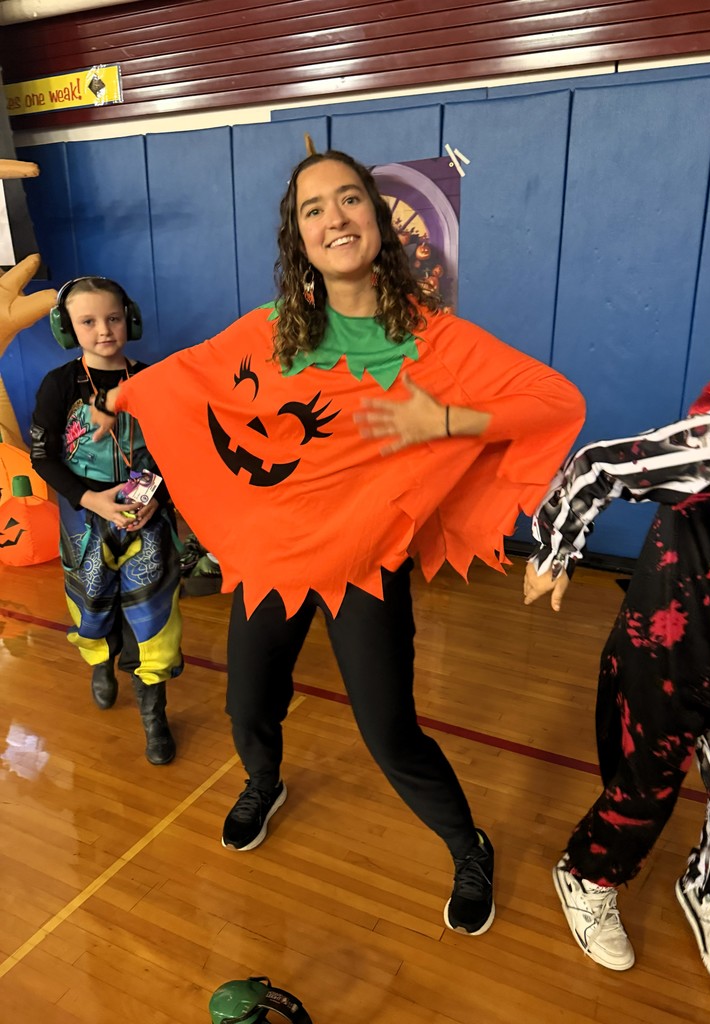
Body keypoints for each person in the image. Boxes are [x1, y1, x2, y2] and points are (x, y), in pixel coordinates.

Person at [89, 149, 585, 934]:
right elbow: (191, 376)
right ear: (299, 237)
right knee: (247, 705)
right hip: (272, 561)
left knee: (389, 732)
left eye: (349, 199)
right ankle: (264, 783)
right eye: (313, 208)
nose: (334, 218)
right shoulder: (272, 330)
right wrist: (121, 395)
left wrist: (444, 419)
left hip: (364, 566)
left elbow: (554, 400)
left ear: (377, 220)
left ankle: (469, 846)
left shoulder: (437, 339)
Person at [523, 291, 710, 993]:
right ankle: (588, 876)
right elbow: (600, 467)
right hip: (676, 653)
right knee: (645, 785)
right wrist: (555, 550)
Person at [30, 276, 182, 765]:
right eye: (88, 321)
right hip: (86, 517)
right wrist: (89, 499)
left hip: (147, 512)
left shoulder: (154, 380)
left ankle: (154, 715)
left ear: (129, 319)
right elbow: (43, 456)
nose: (103, 330)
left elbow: (177, 451)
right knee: (91, 602)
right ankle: (101, 660)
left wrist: (157, 497)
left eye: (113, 318)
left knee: (155, 614)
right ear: (67, 328)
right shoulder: (58, 385)